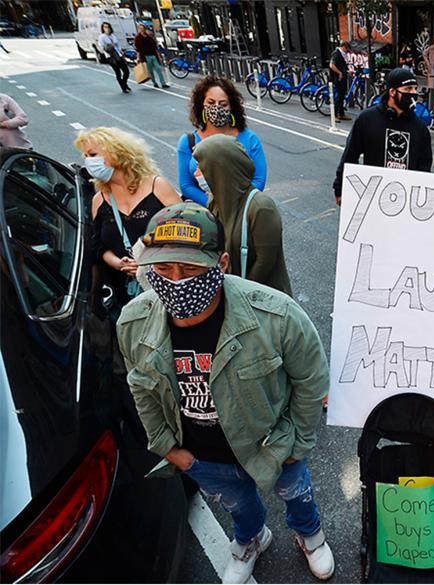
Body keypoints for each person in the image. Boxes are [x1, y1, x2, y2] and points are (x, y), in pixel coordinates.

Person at [117, 202, 335, 583]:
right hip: (203, 456)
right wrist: (170, 450)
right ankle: (251, 539)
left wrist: (297, 444)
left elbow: (310, 380)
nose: (175, 280)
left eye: (190, 268)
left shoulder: (277, 316)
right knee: (239, 506)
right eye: (163, 268)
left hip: (275, 445)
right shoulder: (134, 322)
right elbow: (142, 388)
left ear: (221, 263)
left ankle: (308, 533)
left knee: (297, 493)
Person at [74, 126, 181, 312]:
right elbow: (99, 247)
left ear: (117, 153)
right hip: (124, 294)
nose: (88, 162)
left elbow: (185, 230)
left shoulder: (157, 187)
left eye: (92, 154)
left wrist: (151, 263)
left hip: (169, 286)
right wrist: (119, 263)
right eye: (85, 156)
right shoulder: (99, 200)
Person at [195, 134, 292, 296]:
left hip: (261, 300)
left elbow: (265, 262)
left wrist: (238, 295)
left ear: (218, 168)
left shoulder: (261, 207)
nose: (196, 172)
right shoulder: (215, 201)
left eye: (200, 166)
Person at [332, 68, 432, 205]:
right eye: (408, 89)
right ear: (392, 92)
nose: (414, 93)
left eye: (415, 89)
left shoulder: (420, 128)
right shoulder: (367, 119)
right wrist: (340, 188)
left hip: (405, 201)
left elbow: (424, 168)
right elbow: (350, 155)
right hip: (372, 197)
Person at [177, 75, 267, 206]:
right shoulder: (187, 142)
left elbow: (259, 180)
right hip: (208, 218)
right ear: (201, 105)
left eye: (223, 104)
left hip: (242, 213)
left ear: (231, 107)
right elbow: (186, 185)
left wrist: (237, 205)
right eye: (211, 103)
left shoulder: (250, 139)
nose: (217, 108)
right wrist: (214, 206)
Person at [97, 22, 131, 93]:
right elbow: (102, 47)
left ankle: (124, 83)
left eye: (108, 27)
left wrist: (120, 50)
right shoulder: (102, 37)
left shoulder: (113, 36)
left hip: (118, 55)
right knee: (118, 73)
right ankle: (123, 87)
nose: (107, 29)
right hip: (111, 56)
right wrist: (109, 46)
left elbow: (118, 44)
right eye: (105, 27)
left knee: (126, 71)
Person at [134, 24, 169, 89]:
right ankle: (154, 83)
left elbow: (155, 47)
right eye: (140, 28)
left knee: (158, 68)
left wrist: (159, 56)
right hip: (145, 56)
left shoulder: (149, 37)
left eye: (143, 28)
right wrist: (138, 58)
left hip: (153, 55)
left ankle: (163, 83)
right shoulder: (137, 38)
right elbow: (137, 49)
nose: (142, 30)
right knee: (150, 71)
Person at [329, 41, 352, 121]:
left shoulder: (342, 54)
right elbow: (332, 65)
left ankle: (341, 114)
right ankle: (334, 115)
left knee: (342, 96)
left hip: (342, 78)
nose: (347, 51)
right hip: (337, 78)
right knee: (339, 96)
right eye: (347, 49)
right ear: (344, 47)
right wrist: (339, 73)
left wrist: (347, 71)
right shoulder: (336, 53)